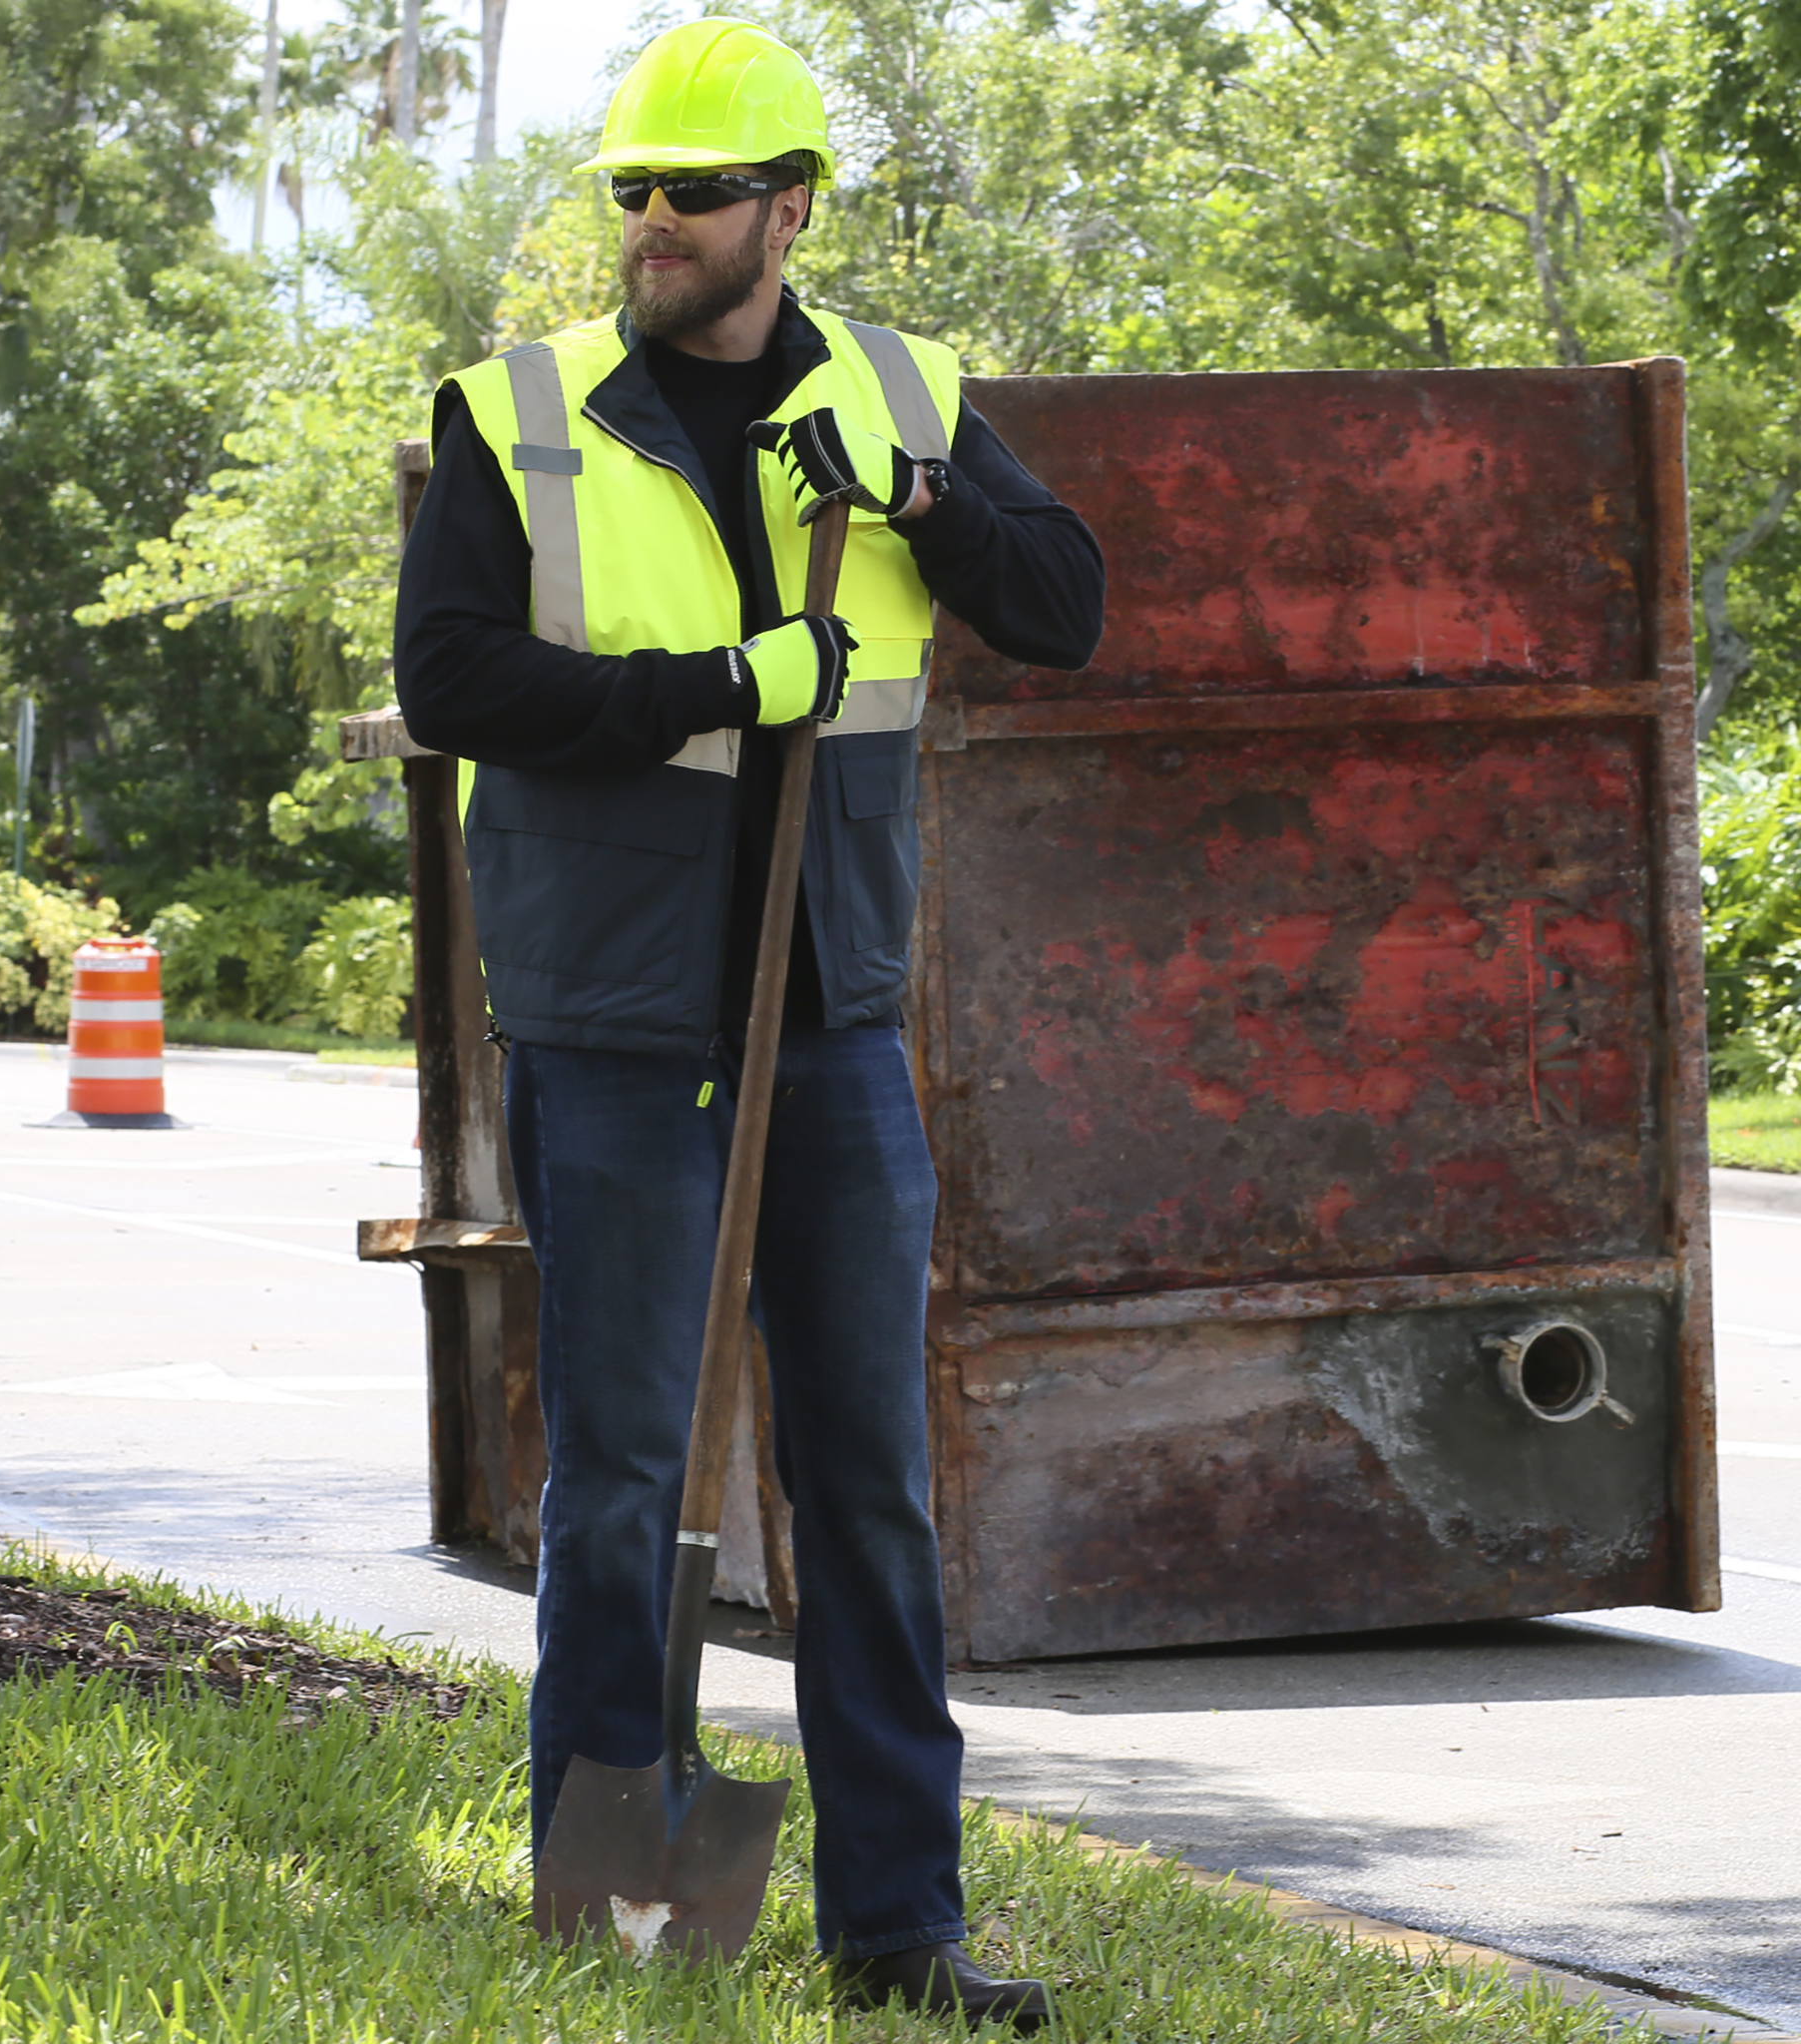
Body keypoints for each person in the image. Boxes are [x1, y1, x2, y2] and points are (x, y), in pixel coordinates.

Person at [394, 17, 1103, 2028]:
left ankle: (902, 1930)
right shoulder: (516, 413)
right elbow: (451, 681)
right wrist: (724, 679)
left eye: (695, 191)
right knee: (619, 1475)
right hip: (612, 1028)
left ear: (791, 206)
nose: (655, 222)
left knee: (868, 1476)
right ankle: (617, 1899)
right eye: (634, 188)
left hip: (827, 1027)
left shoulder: (901, 399)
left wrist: (920, 501)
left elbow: (1063, 599)